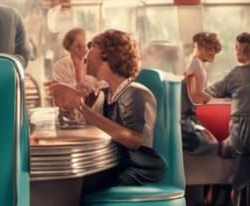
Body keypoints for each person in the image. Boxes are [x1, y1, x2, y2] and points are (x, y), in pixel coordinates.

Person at [49, 29, 165, 192]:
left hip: (137, 166)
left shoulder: (135, 92)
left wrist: (81, 107)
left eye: (91, 47)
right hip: (112, 163)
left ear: (107, 54)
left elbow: (136, 140)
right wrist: (67, 104)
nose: (86, 54)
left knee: (74, 184)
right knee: (67, 178)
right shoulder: (105, 93)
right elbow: (88, 126)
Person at [203, 32, 250, 191]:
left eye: (237, 49)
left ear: (243, 51)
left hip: (239, 142)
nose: (236, 52)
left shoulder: (234, 74)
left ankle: (224, 194)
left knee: (213, 147)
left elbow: (209, 92)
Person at [180, 32, 222, 206]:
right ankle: (198, 201)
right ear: (199, 48)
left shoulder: (200, 66)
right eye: (208, 49)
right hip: (186, 116)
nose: (212, 53)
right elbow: (193, 94)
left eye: (214, 49)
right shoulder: (194, 66)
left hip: (192, 114)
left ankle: (204, 199)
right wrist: (213, 98)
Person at [51, 27, 100, 93]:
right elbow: (67, 91)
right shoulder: (60, 66)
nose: (84, 50)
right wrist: (78, 70)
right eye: (78, 46)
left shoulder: (94, 64)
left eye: (85, 46)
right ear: (69, 47)